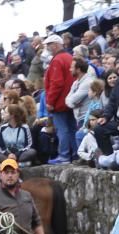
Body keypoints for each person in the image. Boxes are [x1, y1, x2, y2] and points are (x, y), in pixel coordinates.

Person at [43, 34, 76, 164]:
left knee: (62, 130)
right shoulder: (69, 57)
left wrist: (50, 102)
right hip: (70, 100)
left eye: (49, 45)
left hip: (60, 102)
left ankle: (64, 156)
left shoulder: (57, 60)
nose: (48, 48)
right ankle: (75, 155)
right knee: (72, 128)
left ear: (56, 45)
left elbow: (57, 83)